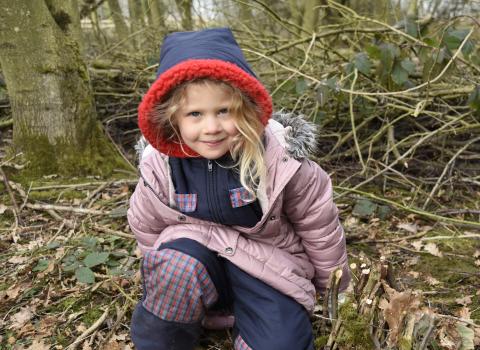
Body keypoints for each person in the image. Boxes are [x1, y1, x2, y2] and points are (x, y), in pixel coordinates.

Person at [128, 27, 350, 350]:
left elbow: (318, 222)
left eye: (223, 111)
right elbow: (147, 224)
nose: (212, 127)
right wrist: (164, 286)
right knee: (173, 270)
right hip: (197, 260)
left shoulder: (277, 155)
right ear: (173, 117)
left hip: (268, 268)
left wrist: (337, 290)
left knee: (283, 344)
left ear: (244, 107)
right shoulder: (160, 164)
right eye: (195, 114)